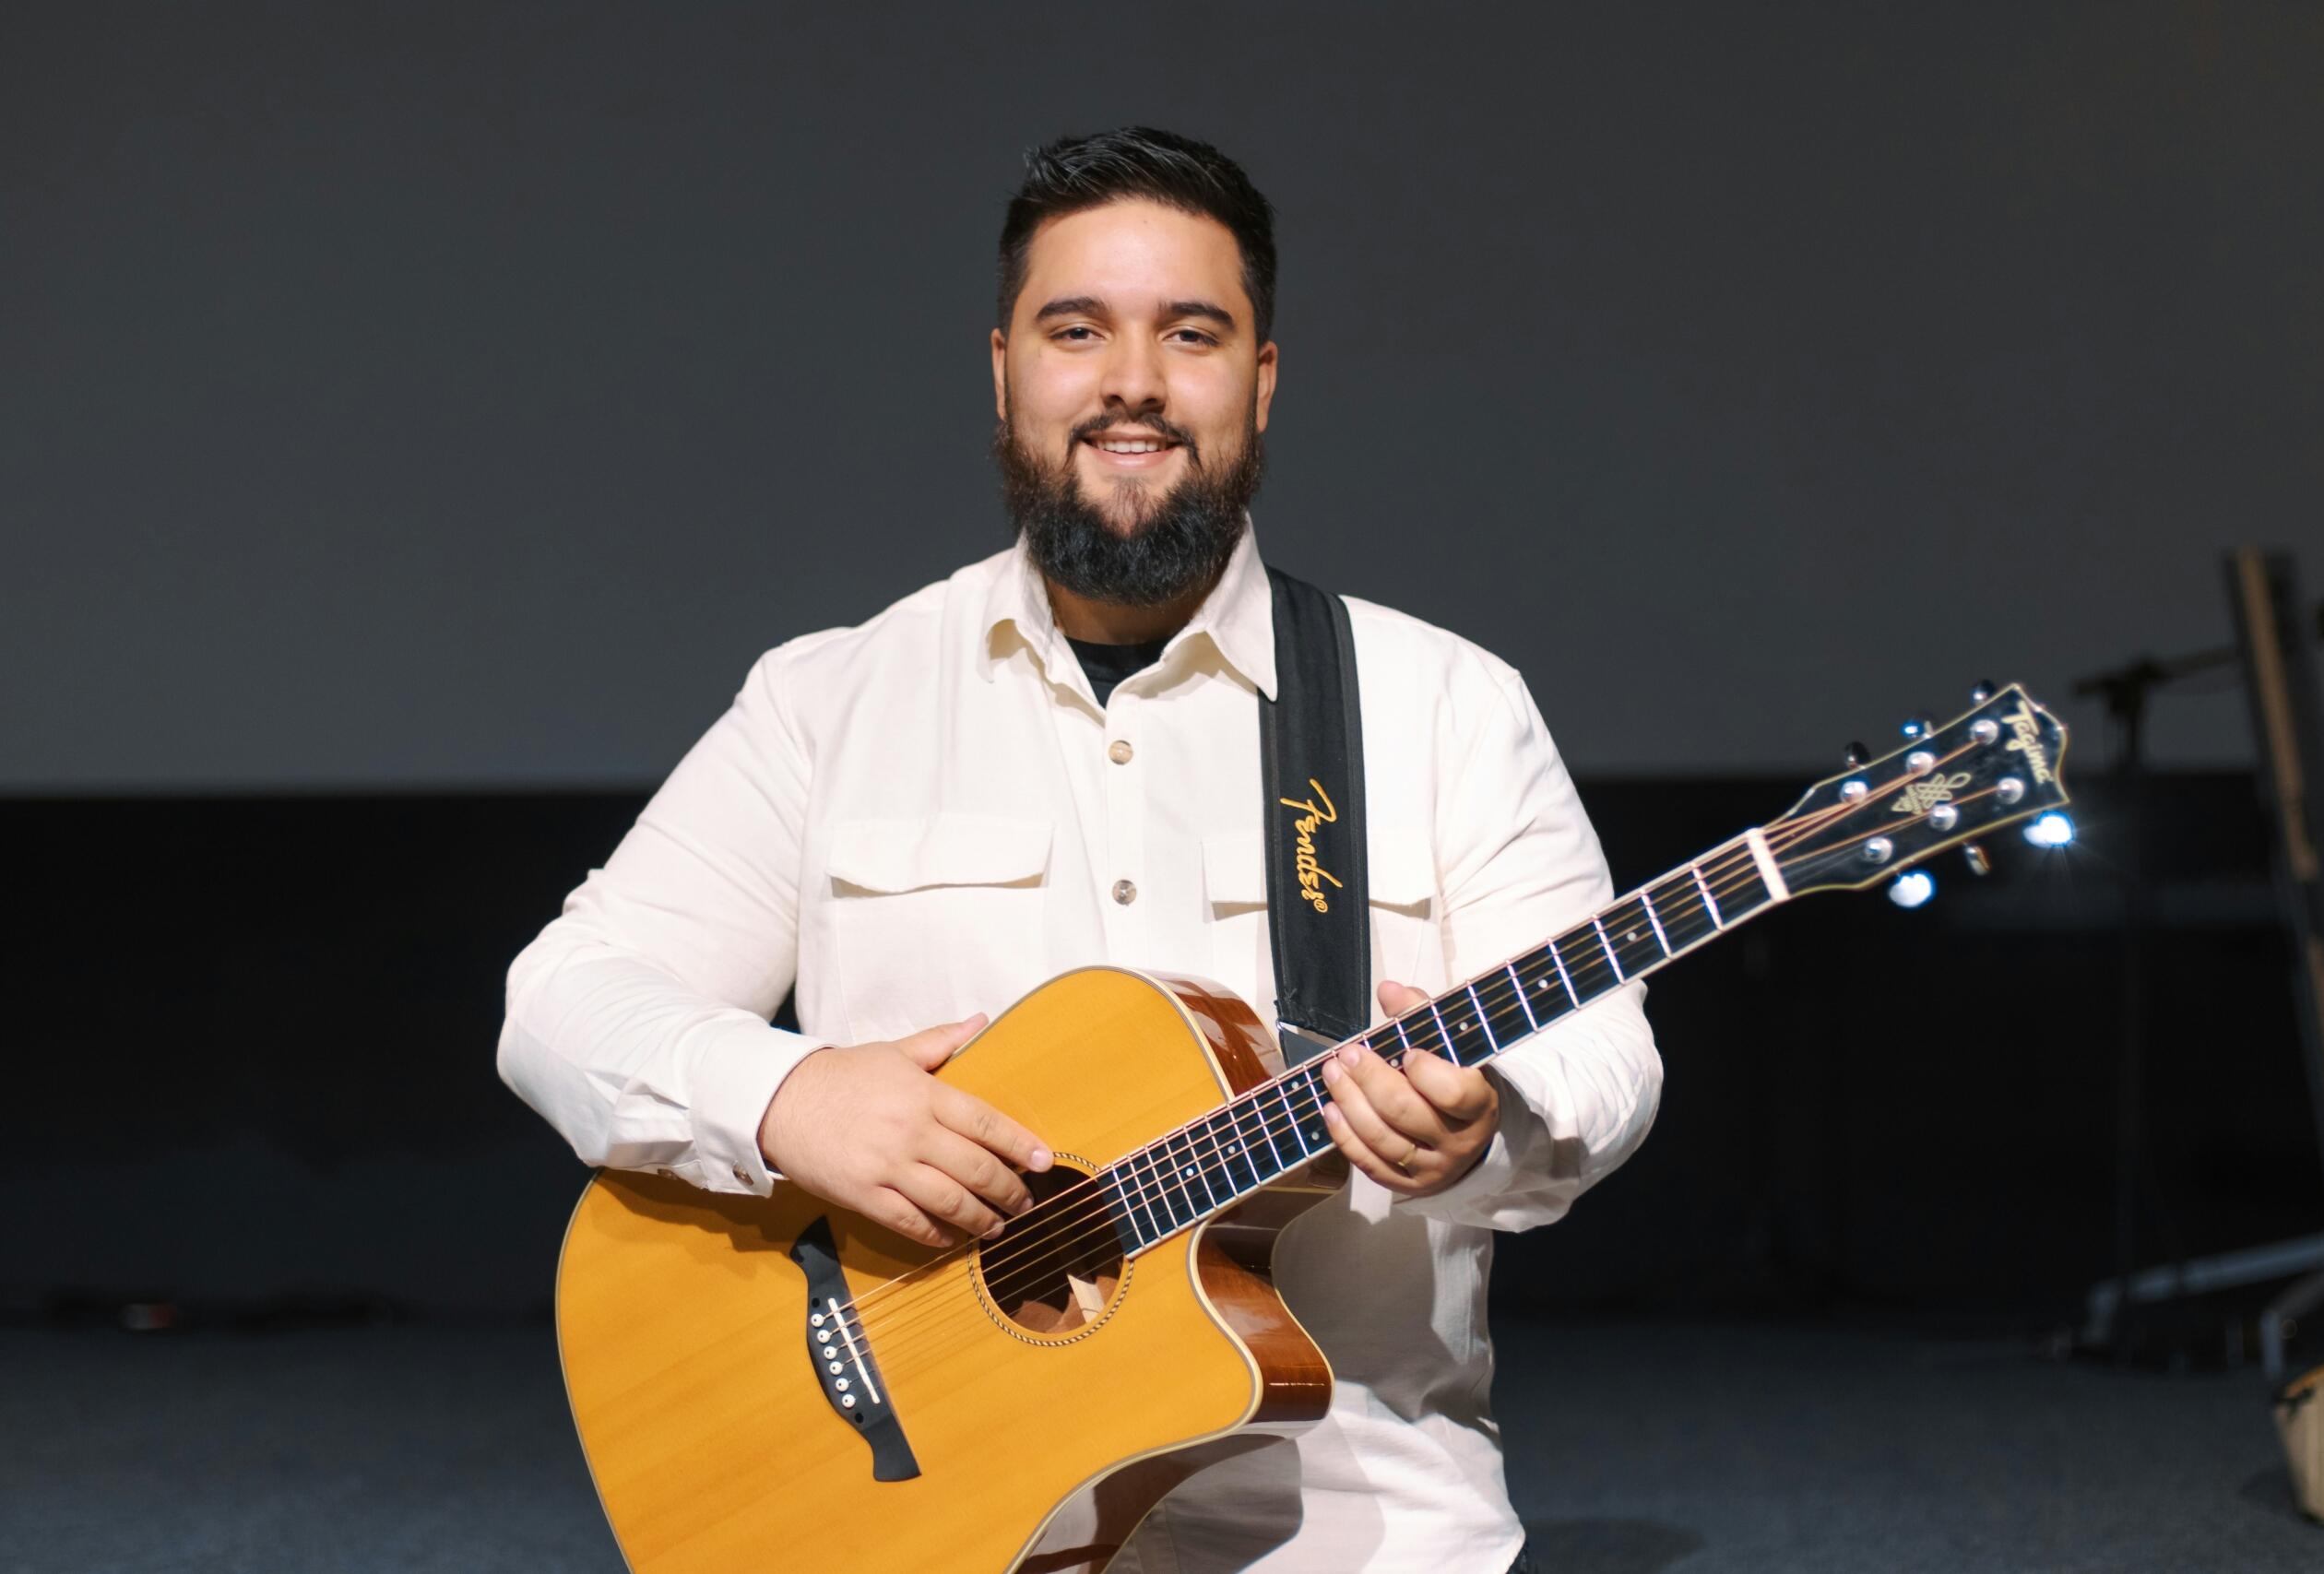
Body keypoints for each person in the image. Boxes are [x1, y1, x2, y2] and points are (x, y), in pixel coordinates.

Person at [498, 125, 1660, 1574]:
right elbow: (562, 996)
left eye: (1191, 332)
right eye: (1076, 329)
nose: (1132, 381)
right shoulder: (830, 696)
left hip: (1351, 1528)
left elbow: (1606, 1047)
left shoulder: (1442, 705)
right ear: (1004, 370)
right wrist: (787, 1094)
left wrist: (1492, 1116)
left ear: (1263, 380)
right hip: (919, 1518)